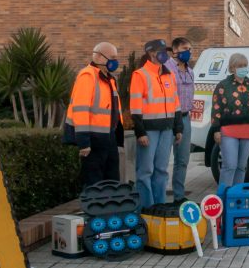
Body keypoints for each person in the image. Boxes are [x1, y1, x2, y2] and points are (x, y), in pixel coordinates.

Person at [130, 39, 183, 208]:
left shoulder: (169, 75)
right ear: (151, 53)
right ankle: (146, 209)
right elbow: (135, 107)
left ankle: (159, 208)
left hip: (166, 130)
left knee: (161, 170)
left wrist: (178, 127)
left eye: (166, 51)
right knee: (145, 172)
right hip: (149, 131)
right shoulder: (140, 75)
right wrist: (141, 132)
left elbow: (176, 103)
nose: (165, 54)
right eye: (161, 51)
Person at [65, 42, 122, 187]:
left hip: (108, 137)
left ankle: (110, 209)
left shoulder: (109, 78)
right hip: (93, 139)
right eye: (112, 57)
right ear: (99, 57)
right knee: (93, 182)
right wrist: (84, 143)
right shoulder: (87, 76)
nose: (115, 61)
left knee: (111, 180)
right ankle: (93, 208)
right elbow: (81, 111)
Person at [211, 53, 249, 187]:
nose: (243, 68)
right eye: (240, 66)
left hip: (248, 130)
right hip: (228, 130)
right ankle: (224, 198)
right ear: (232, 68)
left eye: (245, 65)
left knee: (241, 166)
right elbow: (216, 109)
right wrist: (216, 130)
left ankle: (236, 198)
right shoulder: (223, 86)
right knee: (230, 165)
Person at [165, 37, 195, 203]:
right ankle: (159, 197)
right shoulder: (166, 68)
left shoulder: (190, 72)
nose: (188, 52)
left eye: (190, 48)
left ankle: (179, 196)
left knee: (182, 160)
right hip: (168, 118)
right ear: (175, 50)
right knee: (162, 162)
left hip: (185, 118)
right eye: (185, 48)